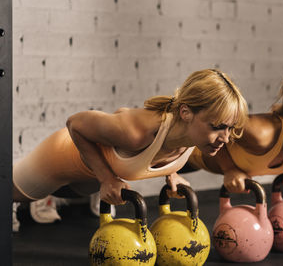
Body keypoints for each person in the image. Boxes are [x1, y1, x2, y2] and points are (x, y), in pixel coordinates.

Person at [12, 69, 248, 229]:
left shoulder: (190, 135)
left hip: (87, 180)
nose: (225, 138)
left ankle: (57, 197)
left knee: (73, 192)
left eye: (230, 128)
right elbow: (75, 123)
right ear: (186, 113)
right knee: (10, 195)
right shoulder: (136, 132)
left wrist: (172, 173)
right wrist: (106, 178)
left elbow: (164, 150)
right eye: (218, 127)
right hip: (60, 158)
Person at [181, 67, 283, 192]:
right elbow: (217, 122)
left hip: (192, 163)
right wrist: (229, 169)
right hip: (179, 150)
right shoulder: (262, 134)